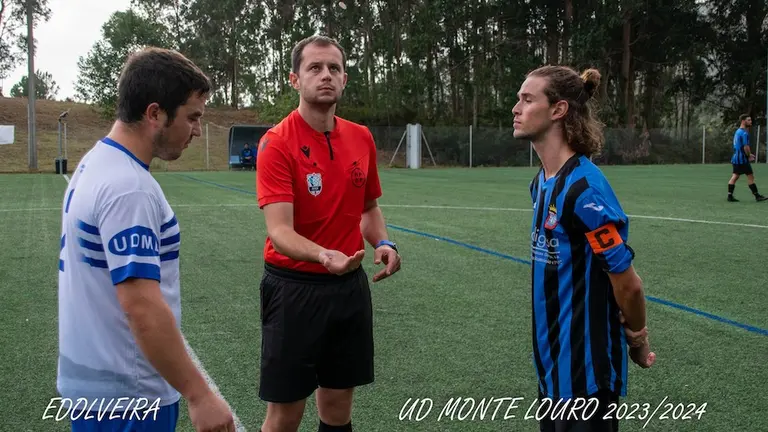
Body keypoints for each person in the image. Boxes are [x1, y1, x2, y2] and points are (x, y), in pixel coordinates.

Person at [57, 47, 235, 432]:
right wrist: (199, 394)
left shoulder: (96, 162)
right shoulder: (129, 188)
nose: (197, 130)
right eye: (193, 117)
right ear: (155, 113)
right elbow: (141, 306)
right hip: (128, 398)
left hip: (98, 388)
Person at [255, 35, 401, 432]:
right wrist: (322, 254)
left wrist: (383, 242)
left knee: (337, 408)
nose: (325, 76)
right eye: (315, 68)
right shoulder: (276, 143)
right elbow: (279, 230)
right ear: (294, 79)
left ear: (345, 79)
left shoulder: (361, 137)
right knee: (285, 415)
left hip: (348, 289)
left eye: (334, 68)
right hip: (293, 290)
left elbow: (368, 207)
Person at [512, 65, 655, 432]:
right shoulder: (541, 183)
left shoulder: (584, 192)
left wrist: (637, 339)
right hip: (552, 371)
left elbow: (627, 283)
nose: (516, 108)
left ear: (558, 110)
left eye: (528, 99)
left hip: (585, 381)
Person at [727, 114, 767, 201]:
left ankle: (729, 196)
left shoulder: (738, 131)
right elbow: (746, 147)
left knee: (735, 176)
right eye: (748, 120)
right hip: (742, 159)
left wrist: (749, 154)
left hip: (735, 158)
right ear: (743, 121)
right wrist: (749, 156)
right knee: (750, 177)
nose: (750, 121)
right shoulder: (744, 133)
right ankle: (757, 196)